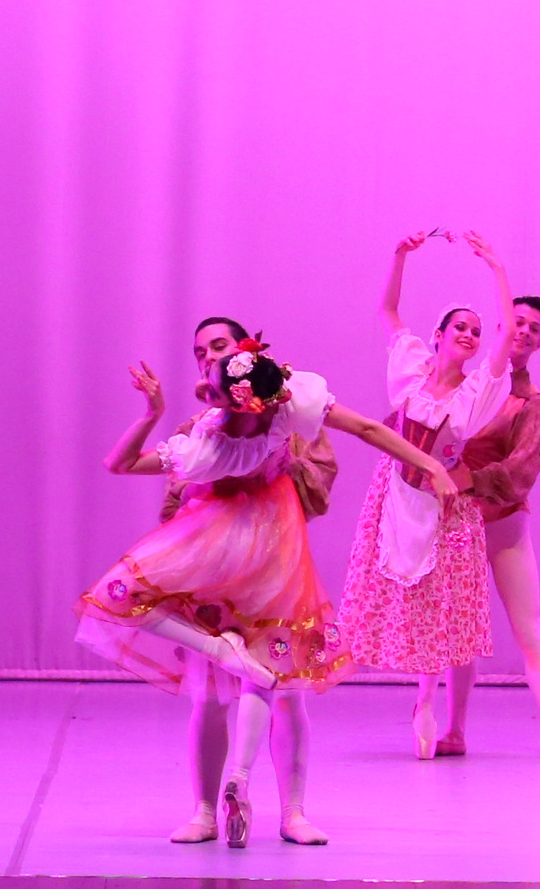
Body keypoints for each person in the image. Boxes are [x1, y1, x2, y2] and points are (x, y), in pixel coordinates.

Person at [77, 341, 458, 847]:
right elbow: (366, 429)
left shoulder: (214, 440)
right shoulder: (264, 416)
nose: (203, 384)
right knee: (236, 684)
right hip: (245, 543)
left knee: (270, 681)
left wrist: (152, 413)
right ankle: (219, 798)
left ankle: (276, 806)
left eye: (214, 376)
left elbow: (121, 463)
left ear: (243, 396)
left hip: (244, 544)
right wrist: (432, 465)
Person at [160, 317, 339, 845]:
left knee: (286, 691)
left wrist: (273, 464)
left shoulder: (287, 416)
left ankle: (293, 812)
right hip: (213, 575)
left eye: (218, 345)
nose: (207, 356)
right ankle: (204, 810)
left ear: (243, 353)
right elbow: (174, 501)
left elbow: (319, 483)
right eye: (199, 351)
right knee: (209, 696)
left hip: (274, 571)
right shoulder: (197, 430)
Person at [338, 230, 515, 760]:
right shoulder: (411, 373)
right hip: (394, 495)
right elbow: (388, 311)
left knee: (443, 605)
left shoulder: (476, 393)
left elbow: (507, 333)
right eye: (460, 326)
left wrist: (496, 267)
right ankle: (415, 697)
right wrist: (399, 256)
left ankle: (430, 703)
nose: (470, 335)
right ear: (438, 335)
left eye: (476, 331)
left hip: (446, 508)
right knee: (404, 595)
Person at [444, 294, 540, 759]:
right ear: (500, 327)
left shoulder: (532, 404)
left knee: (527, 628)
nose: (525, 331)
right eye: (518, 322)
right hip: (457, 520)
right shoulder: (463, 385)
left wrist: (470, 480)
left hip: (503, 524)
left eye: (534, 328)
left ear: (539, 342)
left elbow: (521, 472)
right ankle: (452, 729)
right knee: (457, 632)